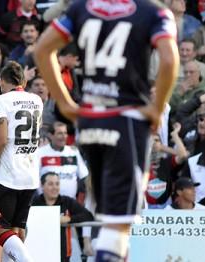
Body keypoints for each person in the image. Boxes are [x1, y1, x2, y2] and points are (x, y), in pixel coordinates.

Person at [34, 1, 179, 261]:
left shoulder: (82, 8)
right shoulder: (153, 12)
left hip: (90, 123)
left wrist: (66, 103)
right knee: (118, 224)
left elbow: (43, 49)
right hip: (126, 120)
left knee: (112, 218)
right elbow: (169, 59)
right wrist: (157, 109)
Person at [0, 61, 43, 261]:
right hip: (30, 176)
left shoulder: (1, 102)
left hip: (8, 177)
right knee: (17, 229)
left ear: (1, 81)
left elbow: (1, 139)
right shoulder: (37, 100)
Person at [32, 172, 94, 262]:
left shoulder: (67, 201)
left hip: (63, 255)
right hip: (39, 253)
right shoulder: (34, 203)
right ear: (42, 186)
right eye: (50, 184)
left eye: (57, 184)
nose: (55, 187)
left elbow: (88, 216)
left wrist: (69, 219)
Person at [35, 121, 89, 199]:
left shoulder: (74, 152)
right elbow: (35, 179)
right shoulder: (40, 153)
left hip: (70, 205)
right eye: (60, 133)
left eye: (65, 133)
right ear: (51, 135)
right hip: (46, 205)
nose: (64, 136)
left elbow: (84, 177)